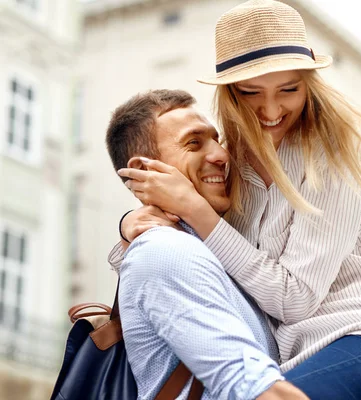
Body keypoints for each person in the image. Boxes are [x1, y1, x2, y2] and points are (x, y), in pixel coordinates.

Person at [116, 0, 361, 398]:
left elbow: (294, 299)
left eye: (289, 89)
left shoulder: (333, 156)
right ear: (230, 93)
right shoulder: (230, 163)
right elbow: (184, 263)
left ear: (308, 84)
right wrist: (133, 224)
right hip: (298, 360)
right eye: (251, 92)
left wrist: (193, 210)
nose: (270, 110)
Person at [105, 89, 308, 400]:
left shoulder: (217, 247)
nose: (222, 156)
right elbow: (253, 389)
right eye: (194, 143)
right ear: (144, 171)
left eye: (217, 141)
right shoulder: (165, 251)